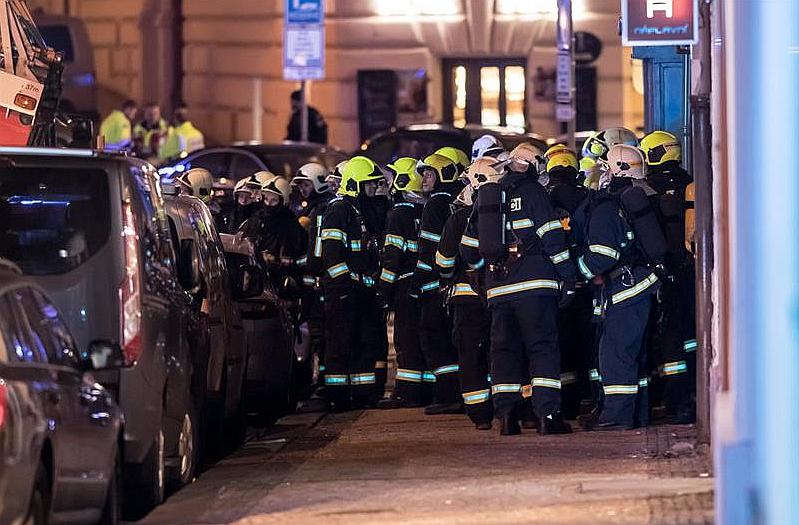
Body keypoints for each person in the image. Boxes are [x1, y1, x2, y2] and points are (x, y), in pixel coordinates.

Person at [461, 150, 579, 436]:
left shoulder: (488, 195)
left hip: (499, 290)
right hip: (536, 287)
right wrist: (569, 278)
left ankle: (507, 418)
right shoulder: (533, 192)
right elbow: (552, 237)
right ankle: (548, 417)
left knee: (504, 352)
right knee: (542, 349)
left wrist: (487, 276)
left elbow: (467, 250)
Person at [577, 144, 662, 431]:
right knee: (633, 354)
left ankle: (617, 416)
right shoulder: (638, 197)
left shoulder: (607, 206)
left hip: (625, 288)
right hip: (640, 284)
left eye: (605, 167)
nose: (600, 173)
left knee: (616, 354)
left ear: (617, 169)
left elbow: (603, 254)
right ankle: (637, 414)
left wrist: (579, 273)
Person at [319, 156, 384, 410]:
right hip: (343, 292)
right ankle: (338, 398)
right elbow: (332, 255)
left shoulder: (361, 211)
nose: (372, 189)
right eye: (368, 185)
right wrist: (345, 286)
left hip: (362, 291)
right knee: (340, 345)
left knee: (364, 344)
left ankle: (362, 395)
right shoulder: (338, 210)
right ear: (355, 184)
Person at [640, 130, 696, 424]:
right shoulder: (690, 182)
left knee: (666, 337)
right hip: (689, 270)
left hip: (659, 273)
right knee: (689, 333)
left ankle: (674, 402)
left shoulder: (647, 188)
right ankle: (692, 393)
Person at [435, 159, 494, 430]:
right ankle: (512, 408)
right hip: (499, 297)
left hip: (466, 298)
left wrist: (446, 279)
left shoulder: (459, 217)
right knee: (503, 351)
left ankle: (480, 414)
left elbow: (444, 261)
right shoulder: (505, 211)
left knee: (470, 356)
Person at [543, 145, 595, 419]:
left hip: (558, 282)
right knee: (590, 341)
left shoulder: (545, 199)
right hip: (589, 280)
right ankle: (592, 395)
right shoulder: (588, 197)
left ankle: (568, 402)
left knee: (561, 343)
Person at [414, 153, 465, 415]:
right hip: (455, 282)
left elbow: (428, 250)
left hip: (435, 284)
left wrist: (420, 281)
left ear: (444, 175)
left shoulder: (435, 204)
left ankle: (448, 394)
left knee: (434, 337)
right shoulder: (458, 201)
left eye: (430, 173)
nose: (424, 179)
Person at [377, 157, 429, 409]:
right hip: (427, 285)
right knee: (424, 339)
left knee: (406, 342)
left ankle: (407, 393)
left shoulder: (399, 213)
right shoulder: (428, 209)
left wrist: (384, 291)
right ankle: (428, 390)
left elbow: (392, 255)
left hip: (404, 286)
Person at [293, 163, 334, 394]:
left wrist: (292, 263)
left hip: (320, 284)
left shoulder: (319, 211)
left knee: (321, 334)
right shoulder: (316, 208)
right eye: (301, 185)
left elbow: (315, 254)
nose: (303, 189)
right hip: (321, 283)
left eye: (306, 184)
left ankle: (325, 381)